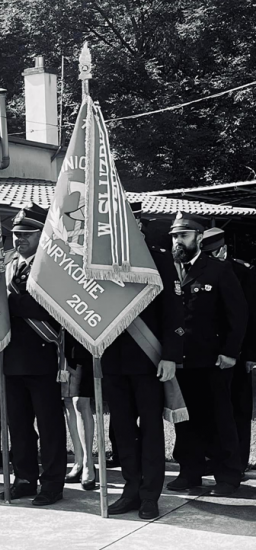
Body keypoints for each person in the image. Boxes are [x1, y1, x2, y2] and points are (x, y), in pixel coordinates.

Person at [102, 203, 183, 519]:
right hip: (113, 358)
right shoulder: (102, 260)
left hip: (148, 359)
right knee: (122, 429)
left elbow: (173, 310)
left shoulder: (158, 257)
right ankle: (131, 489)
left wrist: (171, 356)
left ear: (138, 223)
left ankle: (150, 494)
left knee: (149, 428)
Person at [168, 214, 247, 496]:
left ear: (199, 238)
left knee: (219, 418)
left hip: (213, 360)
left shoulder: (218, 270)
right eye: (175, 236)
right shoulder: (168, 271)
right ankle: (190, 472)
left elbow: (237, 315)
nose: (178, 241)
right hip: (180, 360)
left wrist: (230, 352)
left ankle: (227, 475)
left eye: (184, 235)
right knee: (185, 419)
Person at [0, 204, 66, 506]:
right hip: (11, 357)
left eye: (27, 233)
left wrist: (5, 303)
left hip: (43, 357)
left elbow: (47, 307)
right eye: (15, 234)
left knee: (49, 426)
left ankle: (52, 483)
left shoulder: (51, 265)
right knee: (19, 425)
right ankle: (24, 477)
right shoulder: (7, 264)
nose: (19, 239)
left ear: (41, 234)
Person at [201, 227, 256, 479]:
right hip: (211, 351)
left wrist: (251, 354)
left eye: (213, 253)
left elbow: (252, 316)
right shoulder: (201, 271)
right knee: (214, 409)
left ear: (223, 249)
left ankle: (239, 461)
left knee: (239, 409)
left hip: (240, 352)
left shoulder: (244, 272)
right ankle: (214, 458)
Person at [62, 338, 96, 491]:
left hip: (87, 344)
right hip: (65, 346)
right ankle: (78, 461)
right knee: (68, 401)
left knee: (81, 403)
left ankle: (89, 462)